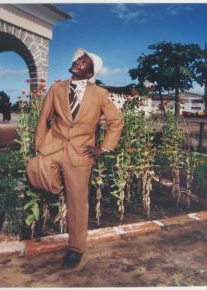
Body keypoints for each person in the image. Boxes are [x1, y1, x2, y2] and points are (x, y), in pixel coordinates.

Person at [26, 48, 124, 268]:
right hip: (54, 146)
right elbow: (44, 117)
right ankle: (54, 189)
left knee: (78, 203)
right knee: (34, 167)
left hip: (80, 153)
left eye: (85, 61)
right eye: (79, 58)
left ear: (91, 72)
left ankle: (76, 248)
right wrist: (39, 145)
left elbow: (116, 121)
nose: (79, 61)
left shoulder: (100, 94)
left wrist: (105, 147)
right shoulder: (56, 88)